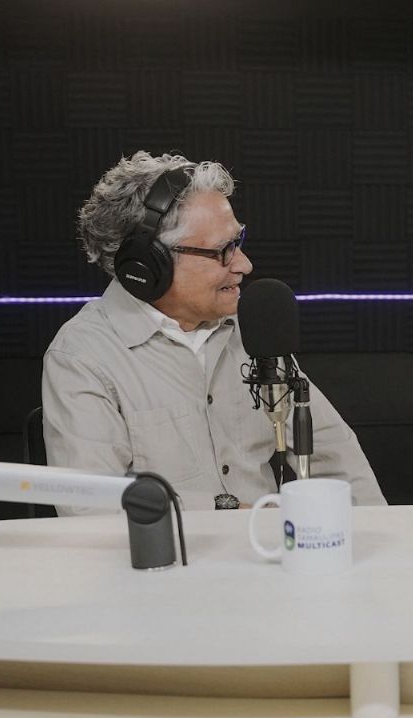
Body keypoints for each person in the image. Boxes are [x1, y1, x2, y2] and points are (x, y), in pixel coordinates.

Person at [43, 151, 386, 514]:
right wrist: (239, 515)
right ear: (148, 263)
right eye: (223, 250)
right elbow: (91, 510)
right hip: (177, 552)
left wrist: (375, 534)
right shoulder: (82, 357)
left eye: (238, 242)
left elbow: (334, 457)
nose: (244, 265)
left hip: (270, 545)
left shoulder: (252, 329)